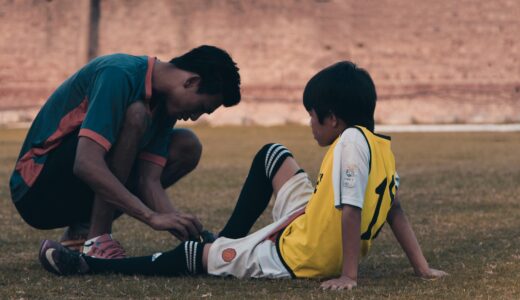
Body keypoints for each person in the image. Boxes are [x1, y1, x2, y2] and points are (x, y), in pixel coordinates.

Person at [39, 61, 447, 290]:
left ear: (333, 119)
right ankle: (230, 238)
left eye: (312, 115)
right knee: (272, 154)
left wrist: (348, 276)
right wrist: (422, 268)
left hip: (301, 254)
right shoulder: (380, 145)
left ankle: (89, 267)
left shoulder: (349, 145)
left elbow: (352, 210)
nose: (309, 123)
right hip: (309, 218)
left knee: (197, 258)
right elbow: (395, 210)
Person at [11, 45, 241, 259]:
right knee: (137, 113)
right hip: (36, 190)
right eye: (201, 108)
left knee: (187, 145)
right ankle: (97, 239)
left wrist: (186, 231)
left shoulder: (165, 106)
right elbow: (85, 163)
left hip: (71, 195)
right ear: (191, 81)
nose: (194, 117)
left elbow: (148, 181)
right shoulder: (118, 73)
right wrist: (150, 217)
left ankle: (81, 232)